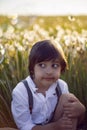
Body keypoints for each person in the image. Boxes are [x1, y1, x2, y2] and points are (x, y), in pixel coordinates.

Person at [11, 40, 86, 130]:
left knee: (68, 98)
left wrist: (81, 110)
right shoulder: (21, 91)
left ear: (61, 68)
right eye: (42, 65)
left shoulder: (61, 86)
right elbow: (25, 127)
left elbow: (69, 117)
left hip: (57, 124)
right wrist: (55, 126)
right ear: (32, 68)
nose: (49, 72)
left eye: (55, 65)